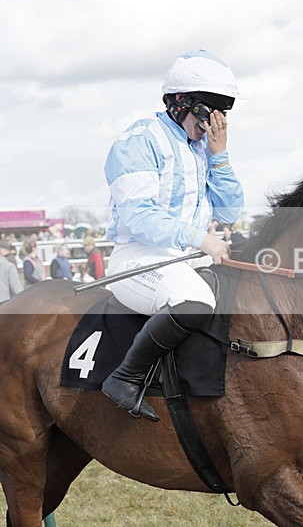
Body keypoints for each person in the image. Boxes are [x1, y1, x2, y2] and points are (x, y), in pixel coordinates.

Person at [101, 49, 245, 422]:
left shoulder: (203, 149)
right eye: (206, 113)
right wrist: (201, 238)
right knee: (195, 302)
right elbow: (139, 218)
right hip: (138, 258)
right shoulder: (139, 140)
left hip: (187, 259)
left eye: (221, 115)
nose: (212, 124)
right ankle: (125, 378)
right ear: (179, 102)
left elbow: (230, 212)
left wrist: (220, 156)